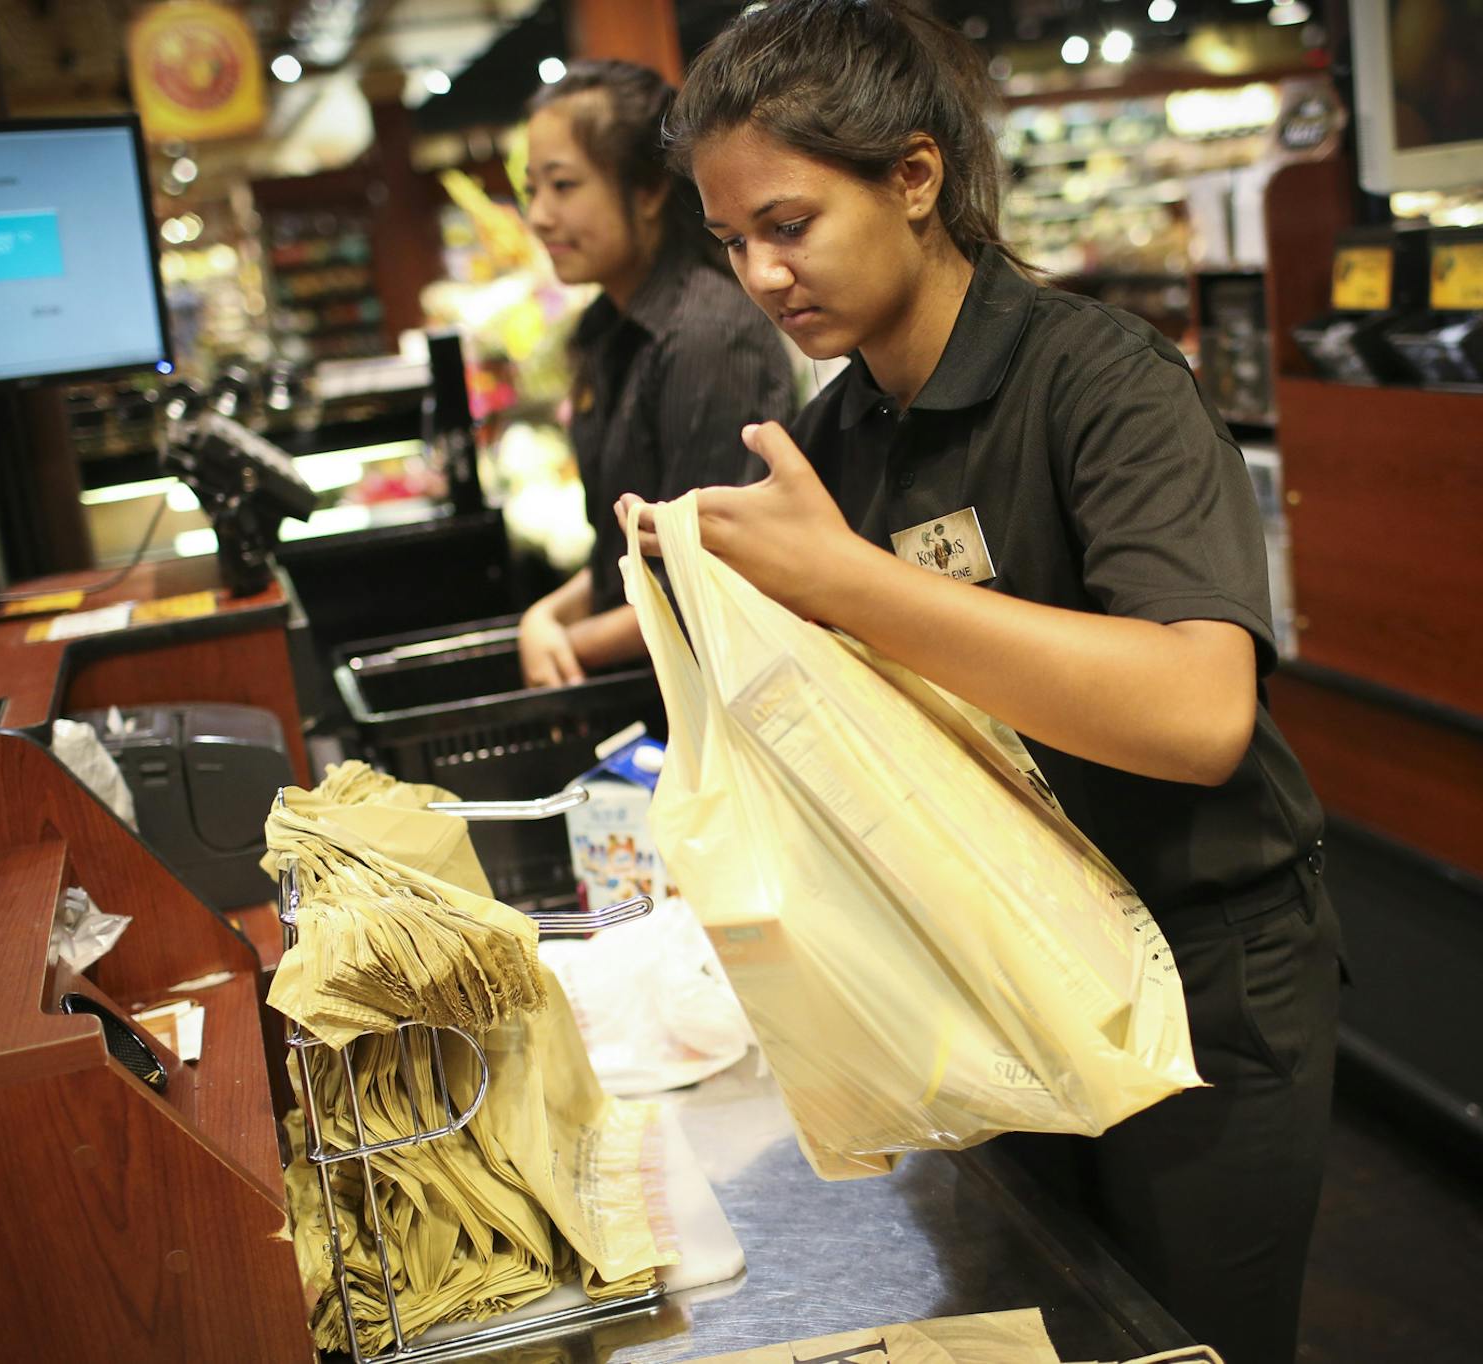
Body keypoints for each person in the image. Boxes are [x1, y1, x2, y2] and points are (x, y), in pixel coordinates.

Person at [622, 4, 1341, 1361]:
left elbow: (1198, 716)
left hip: (1203, 971)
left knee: (1187, 1342)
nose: (763, 276)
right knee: (1050, 1321)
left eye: (788, 223)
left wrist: (853, 585)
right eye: (731, 243)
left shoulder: (1101, 380)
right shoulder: (837, 436)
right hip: (994, 966)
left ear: (913, 177)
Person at [515, 60, 797, 689]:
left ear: (646, 192)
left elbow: (707, 571)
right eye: (531, 188)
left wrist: (569, 642)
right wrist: (544, 617)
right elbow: (631, 553)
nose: (538, 216)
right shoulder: (607, 327)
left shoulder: (704, 334)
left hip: (720, 699)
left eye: (562, 186)